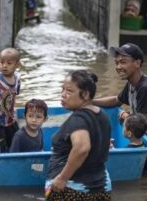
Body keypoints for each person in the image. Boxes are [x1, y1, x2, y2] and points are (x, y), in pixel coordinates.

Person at [93, 43, 147, 173]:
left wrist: (126, 116)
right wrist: (90, 102)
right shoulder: (132, 83)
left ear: (137, 63)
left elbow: (139, 124)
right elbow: (117, 100)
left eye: (123, 62)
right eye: (116, 63)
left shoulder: (146, 87)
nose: (118, 67)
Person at [46, 70, 111, 201]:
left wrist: (62, 178)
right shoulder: (101, 114)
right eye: (62, 89)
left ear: (86, 94)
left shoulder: (78, 119)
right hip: (101, 187)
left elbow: (82, 148)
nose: (63, 95)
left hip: (73, 189)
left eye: (69, 91)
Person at [0, 47, 21, 153]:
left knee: (15, 142)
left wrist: (12, 113)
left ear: (17, 64)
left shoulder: (17, 79)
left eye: (9, 63)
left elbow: (14, 97)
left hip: (10, 119)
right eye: (2, 62)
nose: (4, 66)